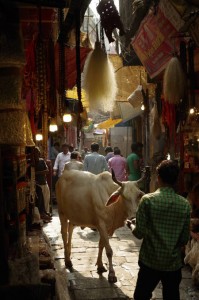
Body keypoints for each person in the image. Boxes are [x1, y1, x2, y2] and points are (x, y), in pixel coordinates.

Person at [126, 160, 191, 300]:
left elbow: (139, 232)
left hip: (150, 261)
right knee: (172, 296)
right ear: (176, 180)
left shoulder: (147, 200)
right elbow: (184, 239)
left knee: (141, 296)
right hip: (173, 264)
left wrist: (131, 225)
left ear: (159, 178)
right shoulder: (184, 204)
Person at [34, 147, 51, 222]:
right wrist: (41, 172)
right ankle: (41, 215)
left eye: (37, 152)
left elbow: (47, 170)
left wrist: (37, 173)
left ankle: (45, 214)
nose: (37, 154)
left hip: (44, 182)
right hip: (38, 184)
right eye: (35, 152)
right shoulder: (32, 162)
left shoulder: (41, 161)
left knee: (46, 199)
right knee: (41, 201)